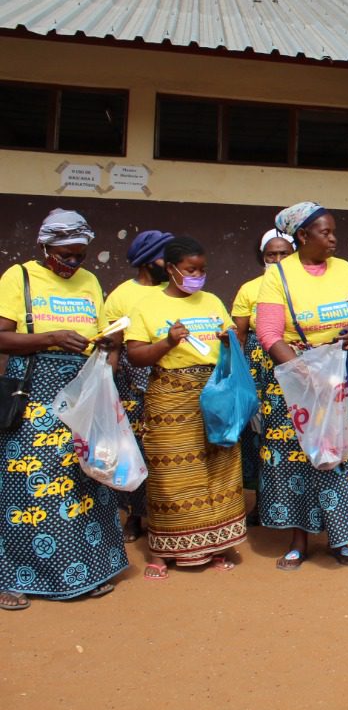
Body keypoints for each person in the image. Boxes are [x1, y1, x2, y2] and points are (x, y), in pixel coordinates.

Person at [0, 209, 127, 609]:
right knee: (28, 484)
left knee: (82, 477)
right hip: (33, 391)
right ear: (44, 247)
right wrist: (49, 337)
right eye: (65, 255)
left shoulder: (90, 282)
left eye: (80, 256)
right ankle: (13, 578)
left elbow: (101, 336)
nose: (73, 263)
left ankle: (83, 571)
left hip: (82, 388)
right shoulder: (18, 277)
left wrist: (108, 345)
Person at [256, 202, 348, 570]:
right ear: (303, 236)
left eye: (334, 231)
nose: (334, 238)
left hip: (339, 376)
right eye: (326, 232)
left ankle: (341, 538)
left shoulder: (346, 270)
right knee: (297, 458)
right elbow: (269, 333)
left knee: (339, 456)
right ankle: (298, 540)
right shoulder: (279, 275)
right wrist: (302, 372)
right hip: (296, 382)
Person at [124, 236, 245, 577]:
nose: (198, 275)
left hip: (215, 393)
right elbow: (134, 354)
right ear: (171, 268)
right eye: (191, 269)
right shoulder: (147, 306)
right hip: (170, 396)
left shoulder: (212, 302)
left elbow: (233, 338)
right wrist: (167, 341)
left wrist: (229, 339)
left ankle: (218, 544)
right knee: (169, 471)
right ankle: (163, 551)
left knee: (218, 467)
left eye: (202, 269)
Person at [103, 228, 172, 542]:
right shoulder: (121, 296)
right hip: (130, 384)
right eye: (164, 256)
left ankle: (166, 516)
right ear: (147, 261)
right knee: (134, 451)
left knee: (167, 450)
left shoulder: (174, 290)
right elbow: (112, 345)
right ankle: (135, 515)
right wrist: (107, 384)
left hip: (169, 381)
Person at [230, 228, 295, 514]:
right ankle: (259, 501)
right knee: (257, 432)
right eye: (272, 254)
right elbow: (240, 336)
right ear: (262, 257)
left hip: (291, 364)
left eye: (284, 254)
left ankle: (291, 497)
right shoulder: (249, 289)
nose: (277, 259)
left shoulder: (303, 286)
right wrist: (239, 374)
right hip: (258, 367)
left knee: (290, 429)